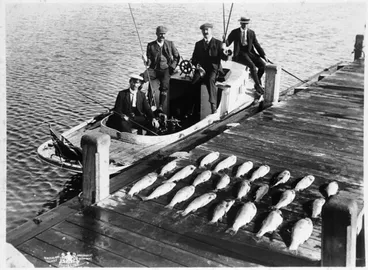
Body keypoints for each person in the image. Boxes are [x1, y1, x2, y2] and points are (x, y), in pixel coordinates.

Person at [225, 16, 269, 96]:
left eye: (246, 24)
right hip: (240, 54)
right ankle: (258, 86)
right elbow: (228, 43)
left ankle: (256, 82)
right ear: (240, 23)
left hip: (250, 52)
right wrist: (225, 40)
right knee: (252, 66)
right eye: (243, 24)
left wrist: (263, 55)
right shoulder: (235, 32)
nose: (245, 26)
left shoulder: (251, 33)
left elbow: (256, 45)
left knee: (263, 66)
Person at [191, 23, 228, 113]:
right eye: (204, 30)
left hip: (214, 69)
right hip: (201, 69)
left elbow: (225, 58)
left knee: (211, 80)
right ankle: (192, 107)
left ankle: (213, 106)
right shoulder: (198, 44)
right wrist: (198, 67)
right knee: (193, 82)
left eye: (207, 30)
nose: (205, 32)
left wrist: (224, 51)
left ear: (211, 31)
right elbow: (194, 59)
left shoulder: (218, 43)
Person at [142, 26, 180, 112]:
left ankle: (161, 106)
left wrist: (172, 67)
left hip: (166, 69)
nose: (162, 36)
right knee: (142, 77)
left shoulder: (170, 44)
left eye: (164, 34)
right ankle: (141, 102)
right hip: (154, 69)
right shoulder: (150, 45)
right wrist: (146, 61)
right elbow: (149, 60)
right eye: (160, 34)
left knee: (164, 85)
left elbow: (177, 57)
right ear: (156, 34)